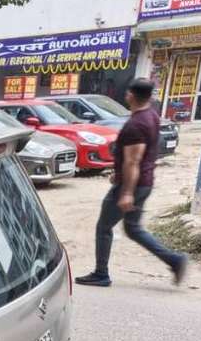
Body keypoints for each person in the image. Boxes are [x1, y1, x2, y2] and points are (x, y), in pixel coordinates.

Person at [75, 78, 187, 287]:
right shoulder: (151, 116)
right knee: (133, 228)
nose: (126, 95)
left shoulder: (137, 124)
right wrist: (119, 175)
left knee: (104, 227)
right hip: (144, 182)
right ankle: (175, 260)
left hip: (133, 185)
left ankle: (101, 273)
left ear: (131, 95)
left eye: (127, 92)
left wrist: (126, 191)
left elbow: (133, 161)